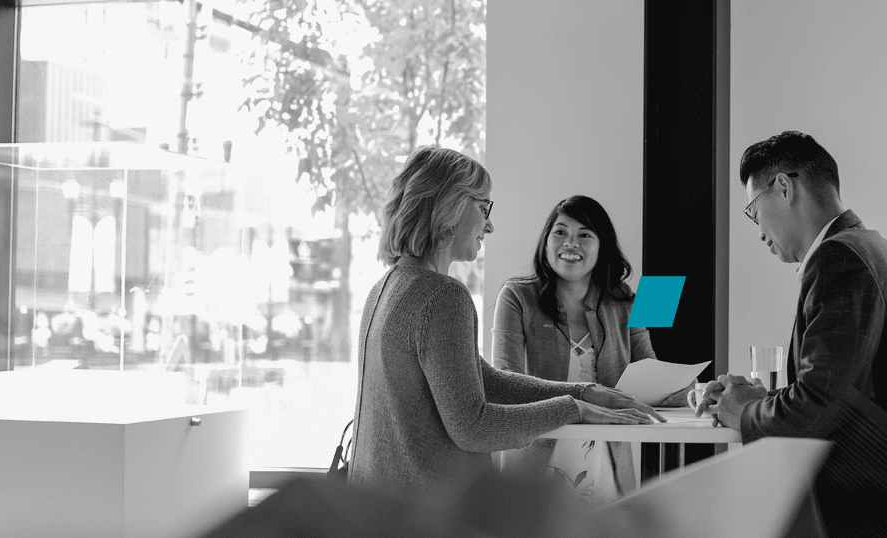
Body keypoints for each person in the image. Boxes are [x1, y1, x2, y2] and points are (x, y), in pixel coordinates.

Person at [347, 147, 665, 502]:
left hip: (387, 507)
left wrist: (582, 393)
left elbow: (484, 380)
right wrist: (573, 407)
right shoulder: (452, 296)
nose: (489, 224)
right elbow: (473, 425)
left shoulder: (386, 287)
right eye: (484, 207)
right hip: (435, 511)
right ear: (449, 206)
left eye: (586, 235)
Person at [697, 131, 887, 537]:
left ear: (783, 187)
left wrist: (743, 411)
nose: (759, 230)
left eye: (753, 210)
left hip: (859, 506)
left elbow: (819, 402)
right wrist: (759, 398)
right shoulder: (868, 245)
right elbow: (843, 389)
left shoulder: (839, 257)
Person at [491, 196, 692, 502]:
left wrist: (684, 390)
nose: (570, 244)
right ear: (546, 241)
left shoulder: (623, 300)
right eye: (560, 232)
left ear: (602, 246)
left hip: (608, 462)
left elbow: (649, 373)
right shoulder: (517, 296)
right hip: (535, 462)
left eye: (584, 235)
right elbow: (508, 381)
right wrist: (583, 397)